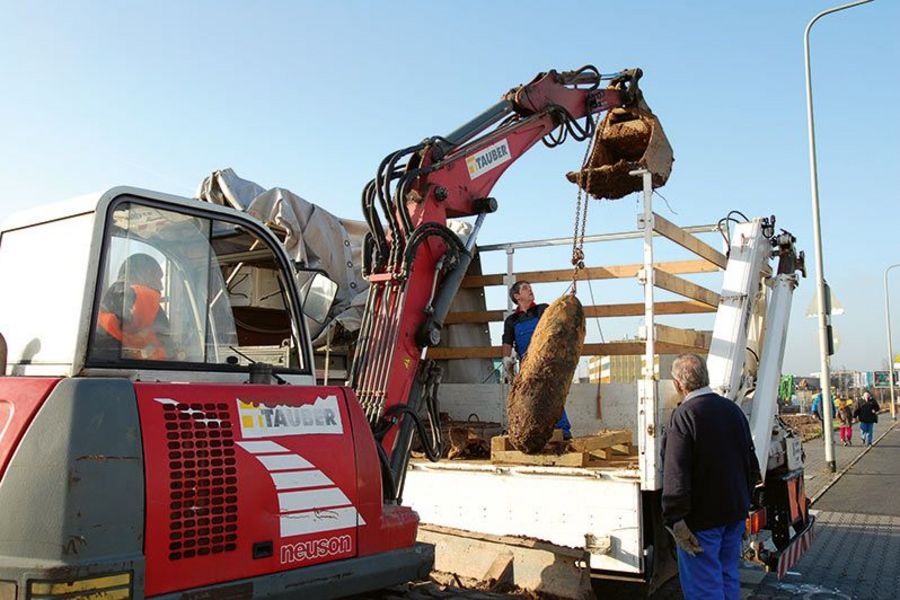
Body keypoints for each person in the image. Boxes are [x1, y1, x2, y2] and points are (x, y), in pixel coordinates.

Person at [661, 353, 760, 600]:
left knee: (704, 587)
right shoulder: (733, 411)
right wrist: (745, 502)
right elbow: (751, 463)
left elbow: (676, 471)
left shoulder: (685, 415)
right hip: (733, 514)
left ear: (677, 384)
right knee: (727, 576)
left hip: (702, 521)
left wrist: (675, 517)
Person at [501, 280, 572, 439]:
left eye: (530, 287)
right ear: (517, 296)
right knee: (529, 400)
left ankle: (564, 431)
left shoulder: (542, 310)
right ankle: (533, 434)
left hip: (547, 364)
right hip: (527, 367)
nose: (530, 290)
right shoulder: (511, 321)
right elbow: (507, 341)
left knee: (553, 395)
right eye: (525, 288)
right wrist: (506, 360)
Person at [94, 253, 172, 361]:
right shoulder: (145, 302)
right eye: (157, 278)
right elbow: (167, 345)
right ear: (144, 275)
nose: (161, 286)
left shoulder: (106, 305)